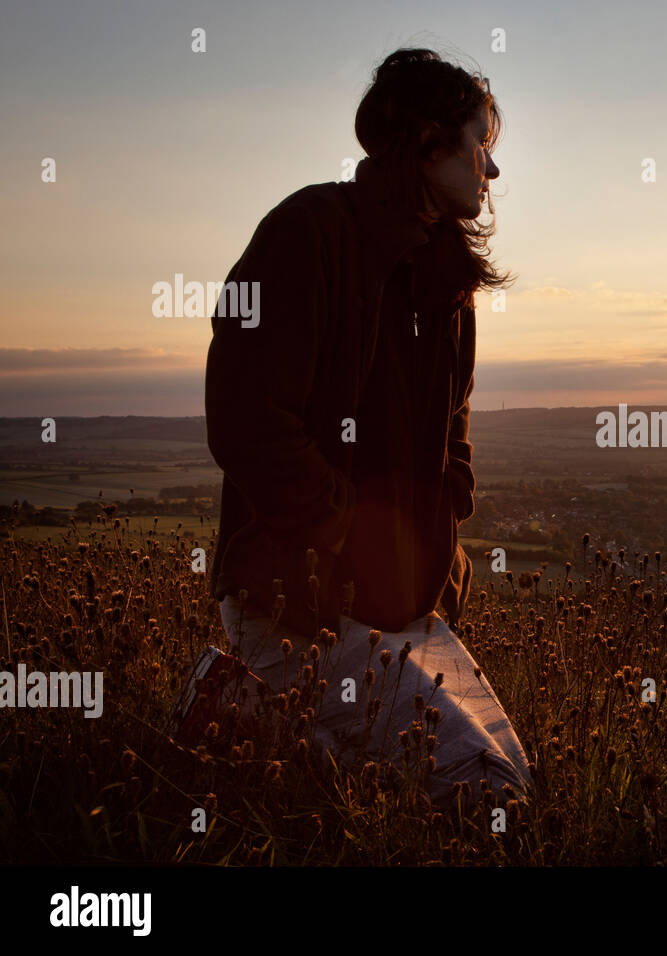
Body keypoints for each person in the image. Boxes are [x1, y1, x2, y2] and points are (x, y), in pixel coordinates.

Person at [174, 48, 530, 808]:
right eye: (481, 146)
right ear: (431, 141)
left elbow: (453, 437)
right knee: (484, 792)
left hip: (399, 604)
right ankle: (242, 706)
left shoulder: (447, 282)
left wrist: (438, 531)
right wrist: (344, 532)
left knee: (515, 778)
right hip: (297, 600)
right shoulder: (308, 233)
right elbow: (244, 419)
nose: (491, 172)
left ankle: (244, 711)